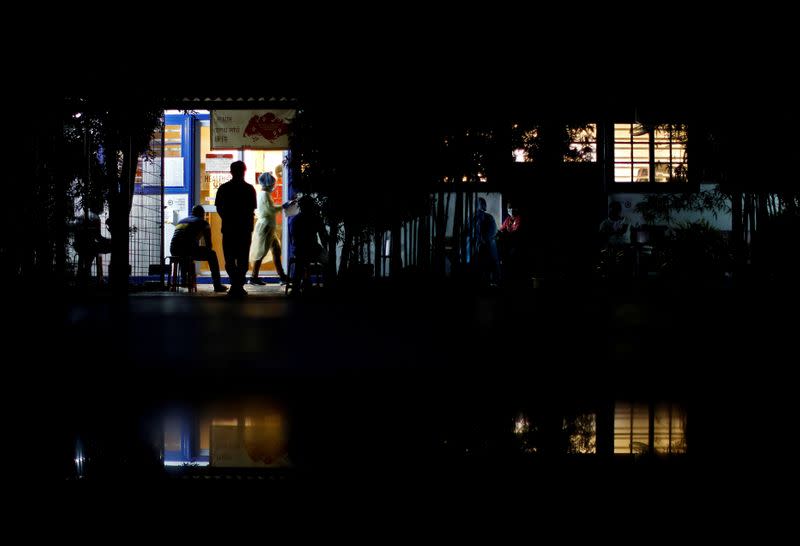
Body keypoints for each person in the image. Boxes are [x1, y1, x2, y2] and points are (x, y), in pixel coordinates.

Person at [215, 160, 257, 298]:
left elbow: (219, 208)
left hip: (228, 229)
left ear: (231, 172)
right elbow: (251, 209)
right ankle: (238, 285)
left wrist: (227, 218)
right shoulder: (249, 189)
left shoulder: (224, 188)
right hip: (244, 230)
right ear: (244, 171)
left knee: (230, 258)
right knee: (243, 258)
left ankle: (235, 284)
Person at [169, 205, 228, 293]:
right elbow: (208, 244)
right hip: (188, 250)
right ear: (202, 214)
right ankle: (217, 285)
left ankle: (184, 281)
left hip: (173, 250)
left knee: (184, 254)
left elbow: (180, 239)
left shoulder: (181, 221)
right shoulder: (203, 223)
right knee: (212, 254)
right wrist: (205, 250)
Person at [248, 170, 289, 285]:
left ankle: (282, 276)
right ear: (268, 184)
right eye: (272, 183)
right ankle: (253, 277)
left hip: (268, 226)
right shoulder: (265, 195)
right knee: (261, 252)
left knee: (276, 250)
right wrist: (282, 207)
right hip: (266, 227)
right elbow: (270, 210)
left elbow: (268, 209)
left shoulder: (263, 194)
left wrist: (281, 207)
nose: (274, 186)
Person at [288, 194, 329, 294]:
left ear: (301, 206)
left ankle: (296, 287)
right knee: (327, 262)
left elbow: (293, 238)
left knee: (299, 263)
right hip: (313, 249)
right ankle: (327, 285)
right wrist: (326, 249)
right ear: (312, 206)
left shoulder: (295, 220)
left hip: (299, 250)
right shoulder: (316, 218)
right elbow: (323, 236)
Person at [70, 204, 112, 288]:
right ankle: (88, 277)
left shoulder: (82, 215)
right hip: (89, 246)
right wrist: (109, 241)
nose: (103, 208)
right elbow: (98, 237)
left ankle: (81, 279)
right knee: (93, 254)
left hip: (78, 245)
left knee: (82, 259)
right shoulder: (96, 218)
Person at [470, 197, 500, 286]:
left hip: (488, 246)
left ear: (482, 205)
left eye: (478, 204)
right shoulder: (474, 217)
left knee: (490, 266)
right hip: (480, 247)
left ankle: (493, 282)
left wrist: (483, 239)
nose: (476, 206)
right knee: (481, 267)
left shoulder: (488, 217)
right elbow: (469, 230)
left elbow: (493, 231)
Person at [598, 201, 632, 278]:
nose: (613, 213)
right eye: (611, 211)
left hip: (624, 248)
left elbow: (622, 231)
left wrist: (611, 231)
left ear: (619, 211)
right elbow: (601, 236)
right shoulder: (604, 223)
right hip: (611, 249)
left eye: (616, 211)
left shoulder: (626, 220)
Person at [496, 200, 525, 282]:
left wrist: (506, 233)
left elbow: (516, 233)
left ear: (517, 209)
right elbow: (502, 229)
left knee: (514, 265)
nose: (511, 210)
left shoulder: (519, 219)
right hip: (508, 247)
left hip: (516, 246)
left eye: (512, 208)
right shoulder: (508, 219)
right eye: (509, 208)